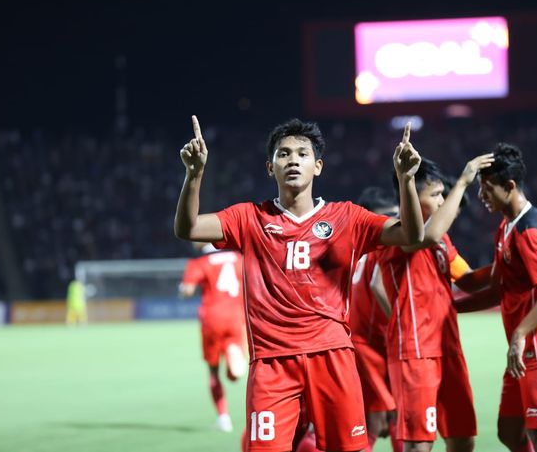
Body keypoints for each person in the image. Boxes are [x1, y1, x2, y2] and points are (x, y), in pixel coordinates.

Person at [174, 116, 424, 452]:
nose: (293, 160)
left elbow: (411, 234)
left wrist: (406, 180)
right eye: (284, 154)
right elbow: (188, 229)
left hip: (332, 355)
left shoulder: (347, 217)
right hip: (272, 362)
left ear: (318, 166)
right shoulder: (249, 218)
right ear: (270, 167)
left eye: (303, 154)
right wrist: (194, 175)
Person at [455, 143, 537, 452]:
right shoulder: (506, 227)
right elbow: (499, 289)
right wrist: (449, 307)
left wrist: (521, 333)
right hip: (527, 351)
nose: (481, 196)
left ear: (510, 186)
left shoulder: (530, 229)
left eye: (487, 188)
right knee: (509, 430)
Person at [376, 154, 494, 452]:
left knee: (463, 439)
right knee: (419, 445)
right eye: (436, 194)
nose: (443, 201)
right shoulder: (397, 232)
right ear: (412, 197)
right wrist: (464, 182)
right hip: (416, 352)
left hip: (448, 349)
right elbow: (426, 235)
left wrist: (507, 263)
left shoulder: (442, 241)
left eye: (444, 193)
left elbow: (468, 279)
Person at [348, 186, 400, 452]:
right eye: (386, 216)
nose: (392, 222)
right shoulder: (379, 248)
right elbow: (379, 285)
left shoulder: (355, 251)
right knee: (389, 419)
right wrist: (403, 325)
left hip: (372, 344)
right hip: (371, 348)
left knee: (376, 421)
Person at [180, 242, 247, 432]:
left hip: (212, 319)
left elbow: (187, 291)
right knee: (233, 362)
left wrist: (182, 289)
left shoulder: (199, 262)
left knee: (213, 371)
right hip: (237, 316)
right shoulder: (238, 257)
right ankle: (233, 362)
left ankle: (223, 418)